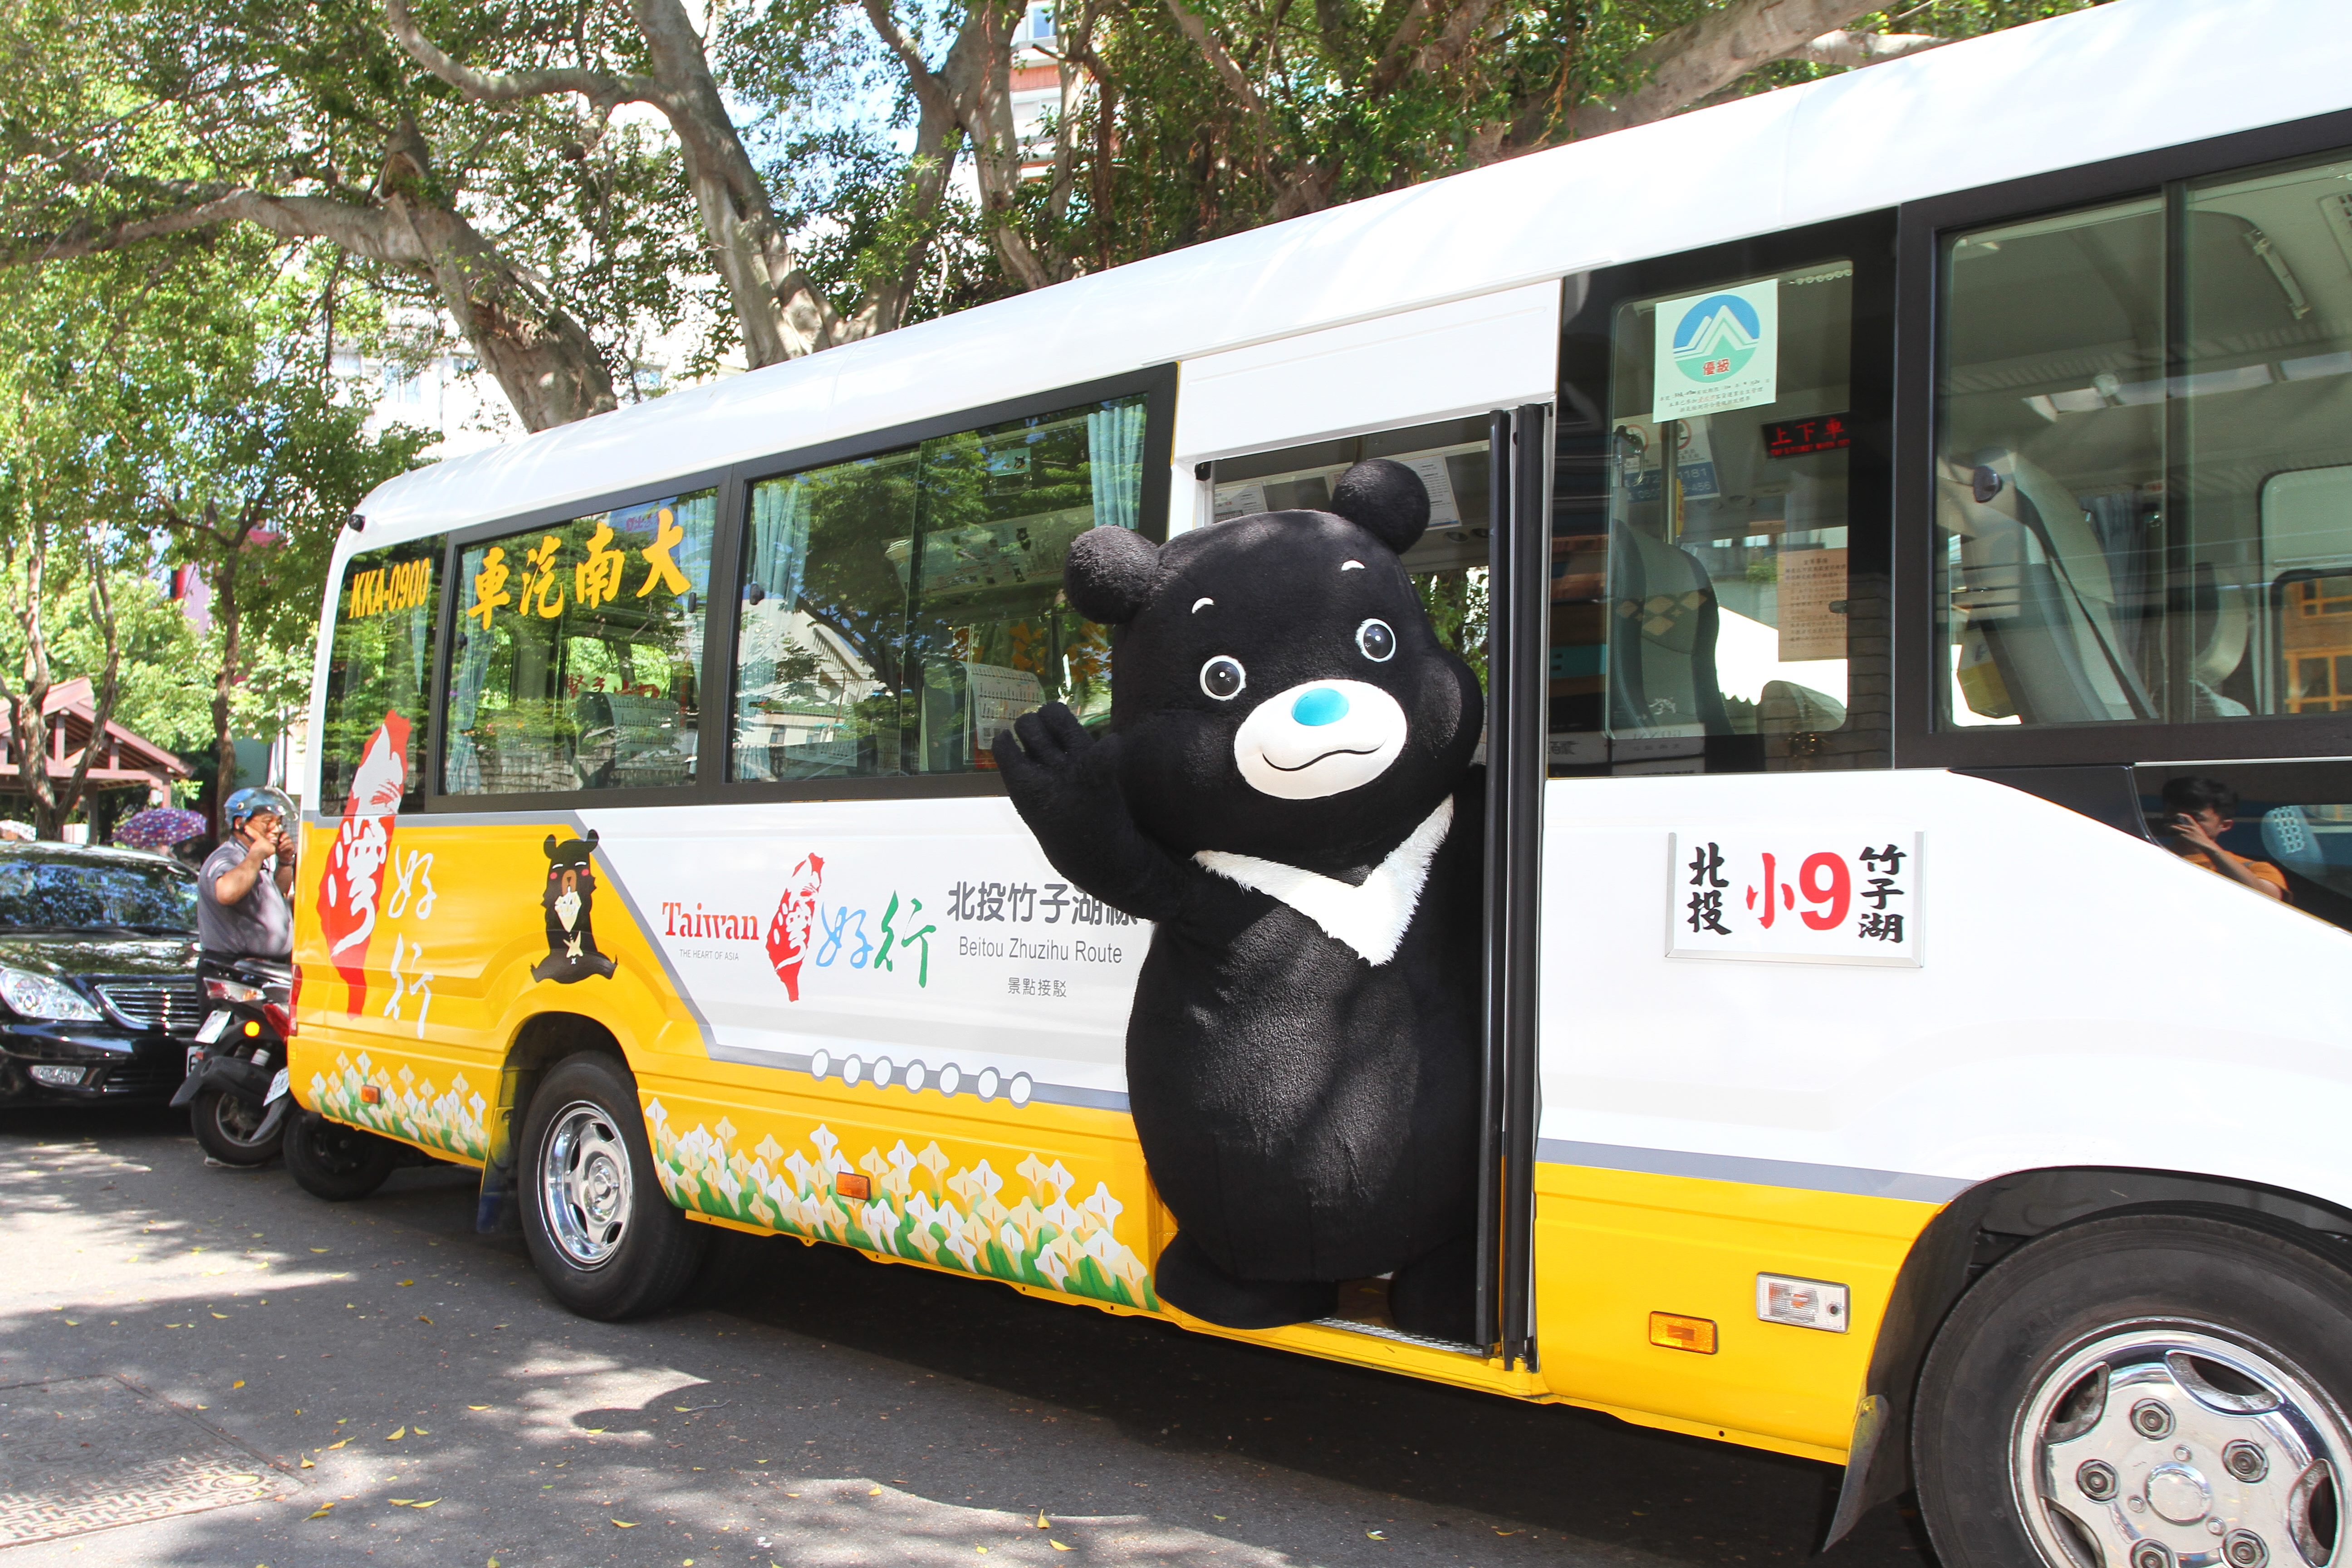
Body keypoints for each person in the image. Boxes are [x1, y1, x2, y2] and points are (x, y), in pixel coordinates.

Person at [199, 787, 297, 960]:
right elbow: (226, 893)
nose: (276, 829)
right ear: (240, 823)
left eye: (279, 822)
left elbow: (276, 894)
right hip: (234, 970)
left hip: (267, 968)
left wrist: (285, 862)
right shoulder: (227, 857)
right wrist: (257, 854)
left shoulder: (252, 861)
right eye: (268, 822)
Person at [2158, 776, 2288, 902]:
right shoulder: (2149, 854)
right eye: (2174, 814)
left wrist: (2210, 848)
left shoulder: (2255, 868)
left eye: (2196, 818)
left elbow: (2268, 901)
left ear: (2225, 825)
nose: (2183, 822)